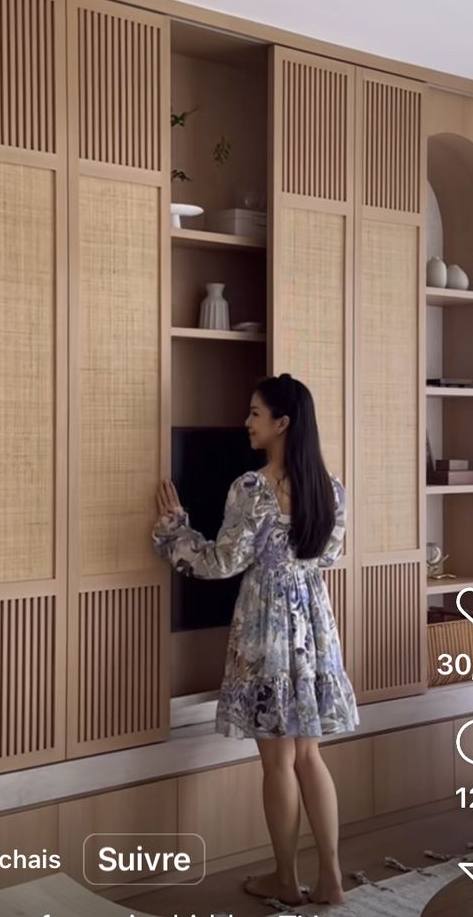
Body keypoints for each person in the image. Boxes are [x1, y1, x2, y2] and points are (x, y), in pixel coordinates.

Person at [153, 373, 358, 908]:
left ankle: (286, 879)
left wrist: (174, 528)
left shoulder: (252, 488)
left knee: (277, 762)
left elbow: (221, 562)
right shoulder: (330, 488)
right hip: (314, 625)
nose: (247, 423)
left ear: (281, 423)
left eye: (255, 414)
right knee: (309, 757)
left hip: (267, 627)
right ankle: (333, 880)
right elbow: (330, 555)